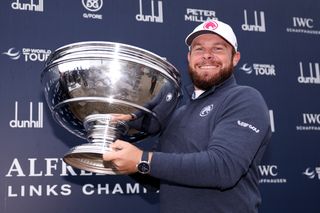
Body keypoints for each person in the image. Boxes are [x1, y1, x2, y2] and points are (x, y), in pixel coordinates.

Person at [103, 19, 272, 213]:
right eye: (199, 49)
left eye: (218, 49)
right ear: (189, 57)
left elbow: (223, 168)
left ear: (235, 58)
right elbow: (158, 177)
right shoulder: (177, 112)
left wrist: (141, 159)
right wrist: (115, 146)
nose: (207, 56)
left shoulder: (244, 99)